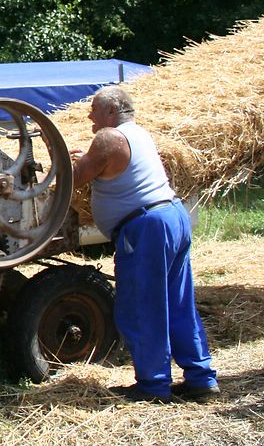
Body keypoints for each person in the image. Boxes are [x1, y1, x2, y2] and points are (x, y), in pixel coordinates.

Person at [71, 85, 219, 403]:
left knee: (142, 307)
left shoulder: (108, 139)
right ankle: (201, 379)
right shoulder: (138, 133)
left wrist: (72, 159)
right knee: (178, 303)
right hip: (171, 216)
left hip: (146, 227)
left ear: (112, 111)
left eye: (94, 109)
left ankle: (153, 387)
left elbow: (74, 177)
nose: (89, 115)